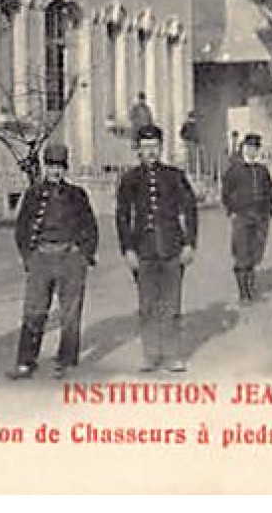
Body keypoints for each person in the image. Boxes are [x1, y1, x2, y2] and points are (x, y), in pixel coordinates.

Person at [9, 142, 98, 380]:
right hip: (41, 258)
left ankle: (66, 360)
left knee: (70, 312)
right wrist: (29, 257)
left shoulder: (77, 195)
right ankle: (26, 361)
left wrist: (83, 254)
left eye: (59, 167)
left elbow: (90, 226)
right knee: (34, 310)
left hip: (70, 257)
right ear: (45, 168)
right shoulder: (33, 194)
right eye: (50, 166)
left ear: (65, 169)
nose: (55, 172)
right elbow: (21, 228)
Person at [115, 125, 198, 373]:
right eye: (145, 148)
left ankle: (172, 355)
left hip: (172, 249)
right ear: (138, 150)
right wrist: (128, 249)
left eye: (155, 147)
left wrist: (190, 243)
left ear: (161, 148)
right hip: (144, 251)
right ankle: (151, 355)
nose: (150, 152)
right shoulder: (130, 179)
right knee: (147, 305)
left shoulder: (174, 176)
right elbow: (122, 216)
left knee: (171, 305)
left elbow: (190, 210)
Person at [221, 132, 272, 304]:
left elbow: (269, 191)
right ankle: (243, 293)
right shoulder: (234, 170)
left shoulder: (262, 170)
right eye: (249, 147)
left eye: (255, 148)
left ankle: (251, 287)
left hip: (260, 216)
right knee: (241, 252)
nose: (252, 151)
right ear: (244, 148)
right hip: (242, 216)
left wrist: (269, 211)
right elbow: (226, 192)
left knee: (256, 252)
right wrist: (232, 211)